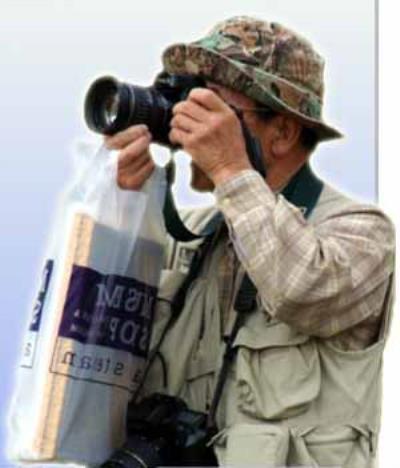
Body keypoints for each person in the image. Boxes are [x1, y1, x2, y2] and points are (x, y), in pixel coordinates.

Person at [104, 16, 395, 468]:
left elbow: (301, 288)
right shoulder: (189, 236)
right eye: (190, 104)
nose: (190, 125)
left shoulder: (360, 232)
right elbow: (91, 337)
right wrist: (120, 204)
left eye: (214, 110)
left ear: (283, 133)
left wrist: (229, 168)